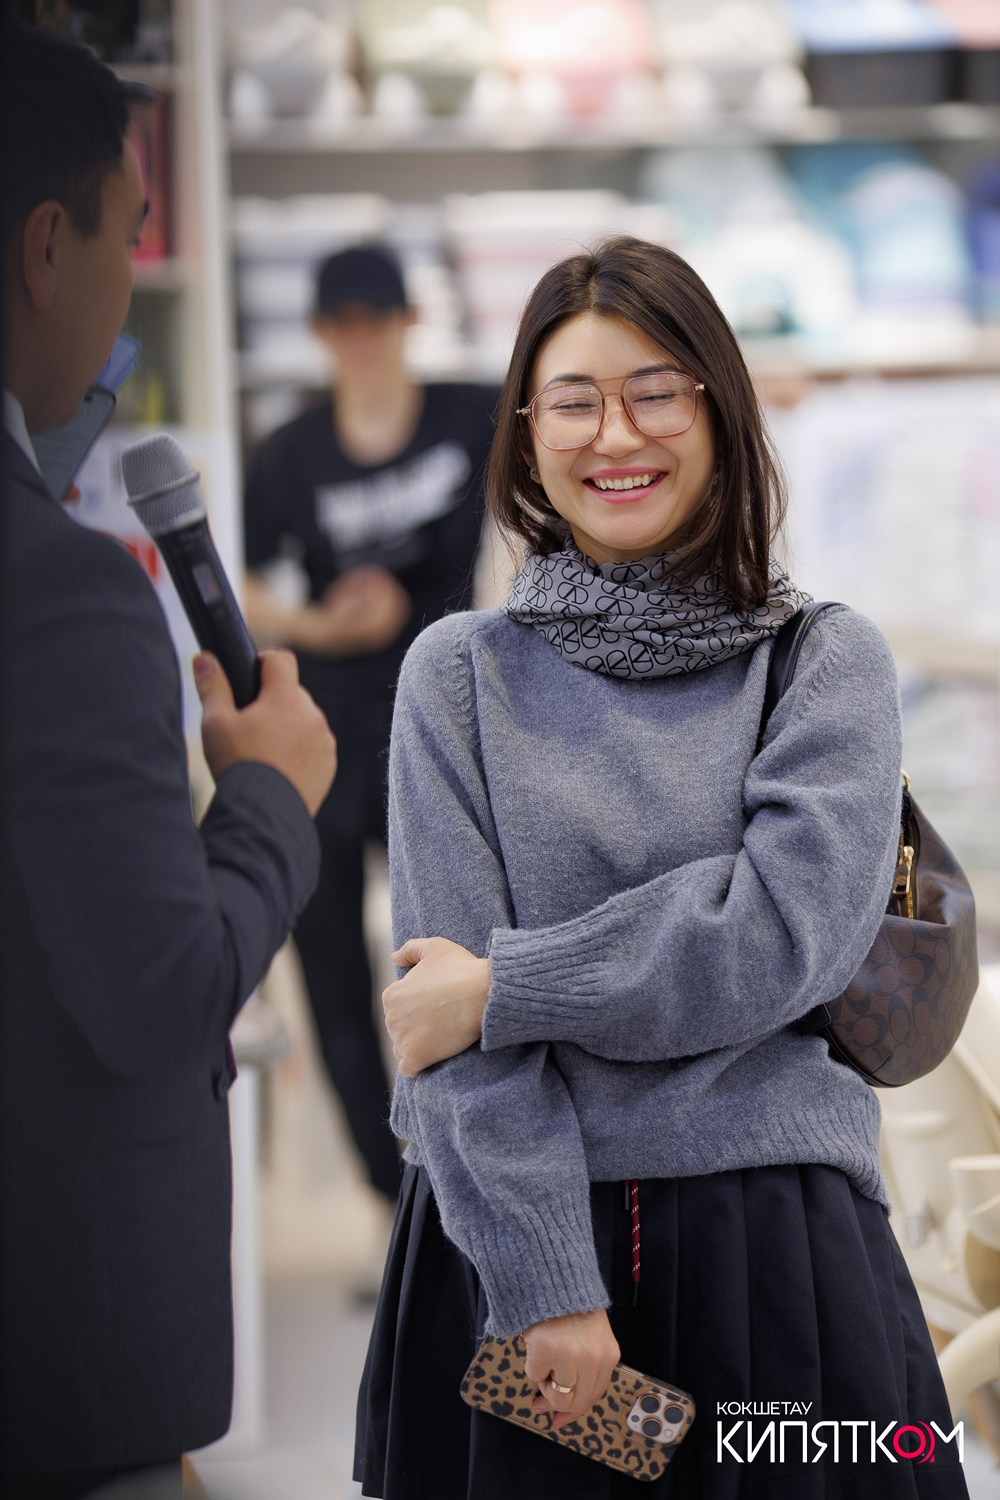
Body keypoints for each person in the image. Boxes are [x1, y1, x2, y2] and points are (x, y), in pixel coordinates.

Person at [355, 236, 969, 1497]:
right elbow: (443, 1035)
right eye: (572, 400)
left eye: (654, 391)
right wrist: (546, 1287)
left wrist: (504, 984)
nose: (612, 433)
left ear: (718, 409)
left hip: (777, 1257)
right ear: (526, 431)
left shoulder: (819, 661)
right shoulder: (455, 677)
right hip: (519, 1249)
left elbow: (775, 938)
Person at [0, 20, 337, 1499]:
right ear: (44, 248)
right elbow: (151, 993)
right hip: (65, 1362)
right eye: (133, 236)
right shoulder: (60, 587)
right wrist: (269, 791)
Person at [242, 242, 497, 1212]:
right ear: (317, 334)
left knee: (450, 953)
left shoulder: (469, 413)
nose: (360, 343)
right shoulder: (289, 451)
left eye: (376, 323)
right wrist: (321, 624)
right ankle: (394, 1208)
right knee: (336, 984)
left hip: (442, 728)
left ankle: (469, 1190)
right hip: (327, 733)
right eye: (341, 326)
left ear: (408, 323)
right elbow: (255, 583)